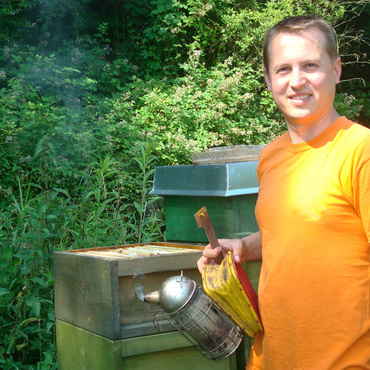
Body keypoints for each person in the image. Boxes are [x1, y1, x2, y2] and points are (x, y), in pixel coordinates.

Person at [197, 15, 370, 369]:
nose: (297, 82)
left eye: (310, 65)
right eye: (283, 69)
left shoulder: (359, 151)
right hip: (270, 358)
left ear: (336, 70)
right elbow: (298, 231)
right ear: (268, 79)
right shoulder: (271, 156)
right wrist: (245, 246)